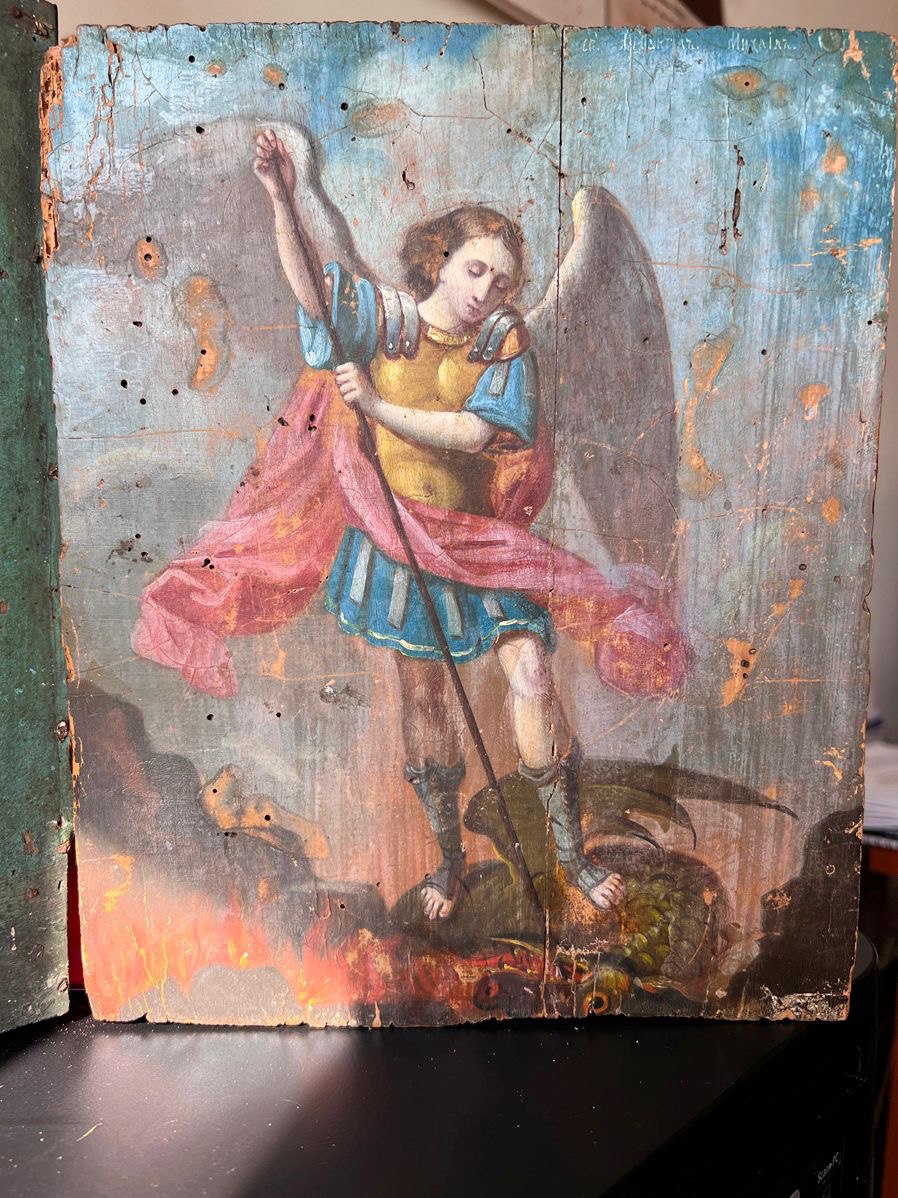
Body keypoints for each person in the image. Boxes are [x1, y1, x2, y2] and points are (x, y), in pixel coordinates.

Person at [252, 129, 626, 921]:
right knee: (424, 700)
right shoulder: (385, 321)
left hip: (481, 545)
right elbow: (313, 291)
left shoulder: (503, 343)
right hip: (398, 542)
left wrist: (377, 406)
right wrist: (284, 197)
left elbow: (477, 434)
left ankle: (571, 856)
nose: (488, 289)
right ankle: (450, 864)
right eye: (475, 269)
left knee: (531, 674)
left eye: (503, 279)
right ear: (441, 259)